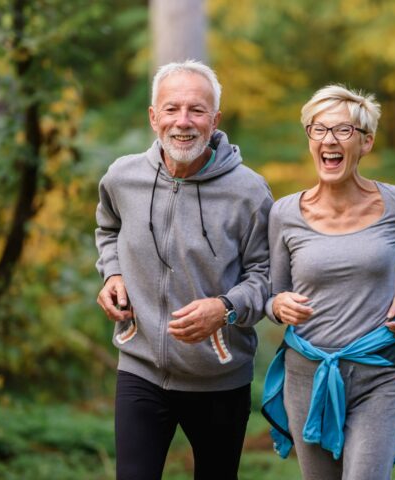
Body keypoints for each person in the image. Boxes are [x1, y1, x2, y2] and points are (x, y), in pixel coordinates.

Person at [95, 60, 273, 480]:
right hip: (139, 368)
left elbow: (266, 277)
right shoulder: (123, 177)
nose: (183, 122)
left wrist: (226, 307)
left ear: (215, 119)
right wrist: (112, 273)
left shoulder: (248, 191)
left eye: (196, 110)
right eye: (171, 109)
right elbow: (107, 228)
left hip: (219, 377)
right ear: (153, 116)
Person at [261, 85, 395, 479]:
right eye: (318, 129)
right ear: (309, 139)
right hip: (307, 376)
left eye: (343, 131)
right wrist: (277, 306)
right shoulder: (284, 214)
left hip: (378, 371)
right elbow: (272, 295)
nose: (329, 140)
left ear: (366, 142)